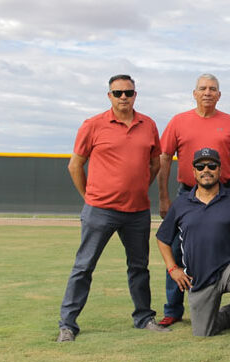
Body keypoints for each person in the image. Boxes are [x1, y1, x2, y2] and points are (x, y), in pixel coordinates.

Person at [57, 74, 167, 342]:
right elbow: (75, 165)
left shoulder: (148, 124)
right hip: (100, 210)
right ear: (109, 96)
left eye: (128, 93)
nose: (123, 98)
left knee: (139, 267)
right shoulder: (93, 125)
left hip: (137, 211)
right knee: (84, 267)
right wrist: (90, 197)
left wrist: (139, 186)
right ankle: (68, 324)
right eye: (117, 93)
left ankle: (144, 318)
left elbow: (155, 164)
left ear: (135, 95)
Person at [156, 73, 230, 327]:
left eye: (213, 89)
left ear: (219, 95)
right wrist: (164, 196)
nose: (207, 92)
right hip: (186, 193)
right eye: (203, 88)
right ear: (194, 93)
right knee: (176, 251)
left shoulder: (229, 122)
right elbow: (165, 158)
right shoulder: (179, 121)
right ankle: (173, 309)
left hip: (225, 193)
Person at [155, 148, 230, 354]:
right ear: (194, 172)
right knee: (204, 331)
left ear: (220, 169)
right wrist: (173, 269)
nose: (206, 170)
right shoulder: (181, 204)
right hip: (198, 277)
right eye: (200, 166)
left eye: (212, 166)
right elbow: (162, 239)